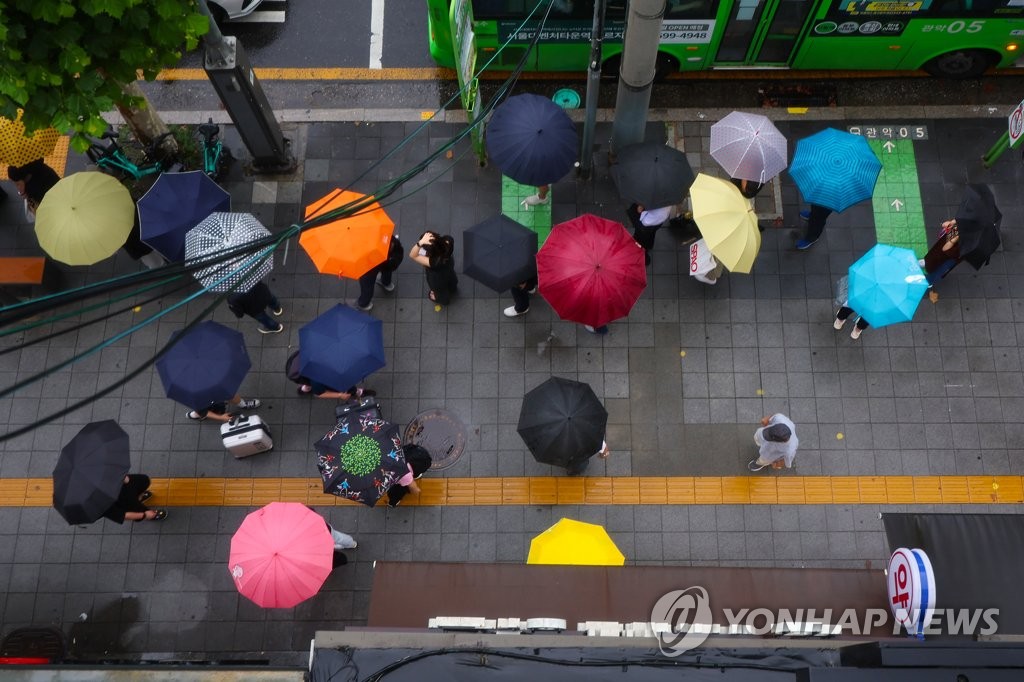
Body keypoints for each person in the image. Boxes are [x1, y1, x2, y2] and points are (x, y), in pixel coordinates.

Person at [354, 234, 403, 312]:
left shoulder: (364, 247)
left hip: (370, 267)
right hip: (387, 262)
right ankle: (386, 283)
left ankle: (364, 303)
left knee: (367, 285)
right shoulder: (392, 243)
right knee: (387, 271)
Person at [408, 231, 458, 305]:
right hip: (449, 267)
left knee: (440, 291)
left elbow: (412, 255)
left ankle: (444, 300)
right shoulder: (448, 241)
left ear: (430, 252)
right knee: (451, 278)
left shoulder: (434, 262)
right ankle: (453, 287)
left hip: (438, 278)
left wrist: (420, 243)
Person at [920, 218, 963, 302]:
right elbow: (945, 248)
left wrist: (954, 237)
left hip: (946, 252)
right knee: (935, 262)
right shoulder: (968, 224)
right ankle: (926, 271)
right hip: (945, 253)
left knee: (935, 265)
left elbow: (946, 248)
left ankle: (926, 278)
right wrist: (952, 225)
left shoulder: (970, 239)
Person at [102, 474, 167, 522]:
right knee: (136, 509)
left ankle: (138, 498)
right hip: (118, 500)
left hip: (120, 485)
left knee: (144, 480)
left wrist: (124, 478)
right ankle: (147, 513)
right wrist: (145, 515)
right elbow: (122, 515)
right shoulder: (97, 505)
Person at [387, 443, 433, 507]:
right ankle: (392, 502)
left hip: (389, 469)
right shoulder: (405, 474)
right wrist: (416, 490)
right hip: (397, 478)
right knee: (397, 491)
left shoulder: (403, 456)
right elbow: (413, 488)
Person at [186, 395, 261, 422]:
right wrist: (221, 417)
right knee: (201, 410)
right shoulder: (193, 395)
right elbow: (204, 411)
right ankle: (197, 415)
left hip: (211, 394)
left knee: (229, 393)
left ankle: (243, 405)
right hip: (202, 402)